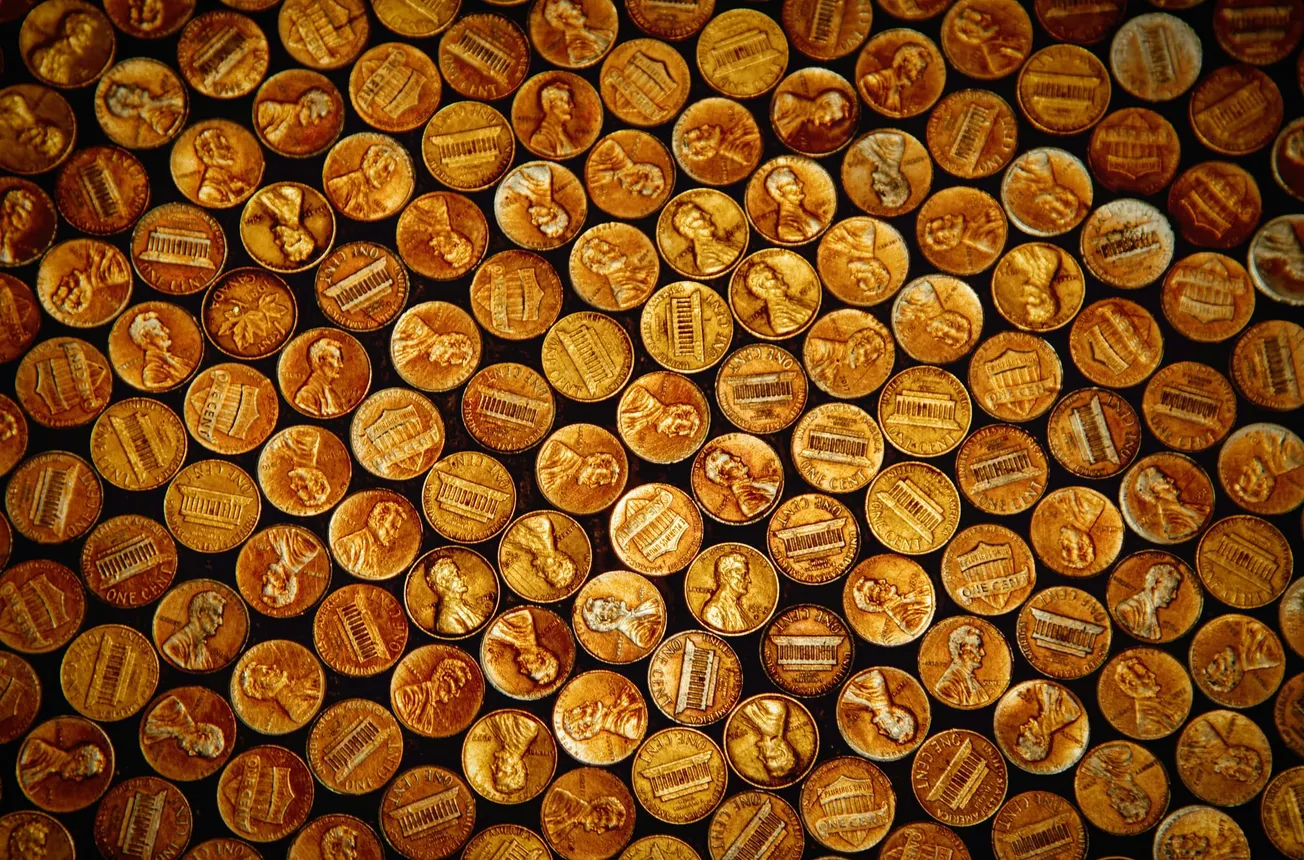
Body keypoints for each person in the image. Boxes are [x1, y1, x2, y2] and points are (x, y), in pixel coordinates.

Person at [702, 446, 780, 519]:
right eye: (730, 462)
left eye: (733, 459)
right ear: (725, 476)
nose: (738, 459)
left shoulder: (768, 481)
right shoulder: (747, 504)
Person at [326, 143, 400, 218]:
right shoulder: (342, 185)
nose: (387, 178)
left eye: (389, 173)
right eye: (385, 169)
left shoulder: (364, 193)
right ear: (372, 162)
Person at [337, 501, 409, 578]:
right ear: (379, 520)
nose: (395, 535)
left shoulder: (373, 551)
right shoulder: (350, 545)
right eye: (394, 528)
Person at [162, 589, 227, 671]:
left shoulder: (204, 651)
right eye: (216, 614)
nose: (220, 622)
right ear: (200, 612)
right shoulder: (173, 646)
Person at [1115, 563, 1182, 641]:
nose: (1174, 596)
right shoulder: (1127, 609)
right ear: (1154, 585)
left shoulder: (1152, 611)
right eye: (1171, 589)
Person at [30, 11, 99, 86]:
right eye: (82, 31)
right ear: (71, 31)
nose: (87, 38)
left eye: (90, 34)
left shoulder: (86, 60)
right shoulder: (45, 56)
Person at [859, 43, 930, 114]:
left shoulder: (896, 91)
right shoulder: (873, 82)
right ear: (906, 63)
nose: (920, 76)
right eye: (920, 71)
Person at [425, 556, 486, 636]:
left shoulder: (465, 606)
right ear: (442, 582)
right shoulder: (447, 620)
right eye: (455, 574)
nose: (463, 576)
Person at [129, 311, 190, 390]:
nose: (167, 331)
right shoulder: (152, 371)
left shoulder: (173, 360)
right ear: (146, 337)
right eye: (160, 328)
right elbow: (150, 384)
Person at [193, 127, 250, 207]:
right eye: (223, 146)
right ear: (209, 152)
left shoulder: (231, 182)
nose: (230, 150)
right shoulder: (207, 191)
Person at [764, 166, 823, 244]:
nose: (801, 184)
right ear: (779, 193)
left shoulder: (804, 215)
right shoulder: (786, 229)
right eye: (792, 182)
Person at [256, 89, 333, 146]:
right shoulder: (270, 109)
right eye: (315, 114)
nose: (316, 122)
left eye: (320, 118)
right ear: (305, 104)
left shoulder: (288, 129)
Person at [935, 623, 988, 706]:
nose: (982, 653)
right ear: (961, 649)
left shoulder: (972, 681)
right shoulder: (947, 686)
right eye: (977, 647)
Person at [293, 337, 345, 417]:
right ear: (320, 360)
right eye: (336, 359)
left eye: (340, 359)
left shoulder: (332, 393)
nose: (341, 365)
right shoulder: (306, 394)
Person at [702, 550, 751, 632]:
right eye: (744, 574)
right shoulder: (713, 611)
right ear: (727, 575)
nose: (749, 580)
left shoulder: (737, 607)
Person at [530, 82, 577, 157]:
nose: (572, 105)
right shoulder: (541, 138)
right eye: (566, 101)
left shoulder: (562, 134)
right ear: (552, 105)